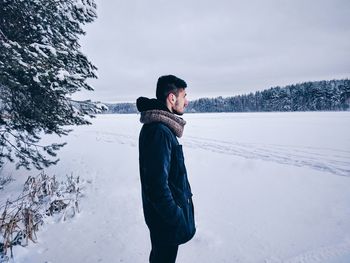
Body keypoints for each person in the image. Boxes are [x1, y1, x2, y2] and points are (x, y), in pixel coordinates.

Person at [137, 75, 196, 263]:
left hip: (164, 220)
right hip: (166, 222)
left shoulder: (162, 128)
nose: (186, 102)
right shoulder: (158, 131)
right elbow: (156, 185)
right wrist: (176, 216)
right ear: (172, 98)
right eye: (184, 96)